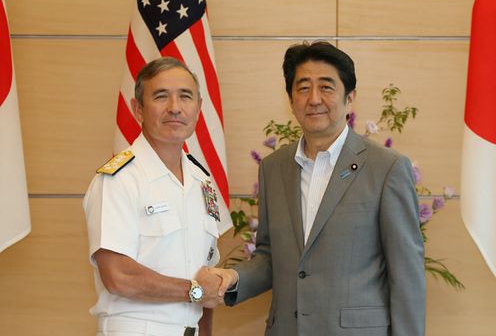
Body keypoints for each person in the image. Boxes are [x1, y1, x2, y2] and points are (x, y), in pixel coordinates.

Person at [204, 41, 425, 336]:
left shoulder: (387, 168)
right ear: (291, 99)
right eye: (303, 87)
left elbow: (406, 275)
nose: (314, 98)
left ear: (350, 99)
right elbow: (271, 256)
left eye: (327, 87)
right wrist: (232, 277)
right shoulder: (273, 168)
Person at [83, 57, 223, 336]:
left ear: (198, 108)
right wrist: (194, 291)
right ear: (138, 109)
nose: (175, 108)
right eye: (161, 96)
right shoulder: (119, 179)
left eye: (185, 96)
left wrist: (201, 295)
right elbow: (118, 276)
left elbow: (205, 278)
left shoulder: (202, 182)